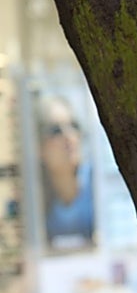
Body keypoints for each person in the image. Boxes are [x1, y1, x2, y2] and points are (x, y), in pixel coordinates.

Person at [37, 95, 95, 249]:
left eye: (73, 126)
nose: (69, 136)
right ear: (38, 148)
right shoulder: (34, 205)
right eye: (56, 130)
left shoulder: (99, 186)